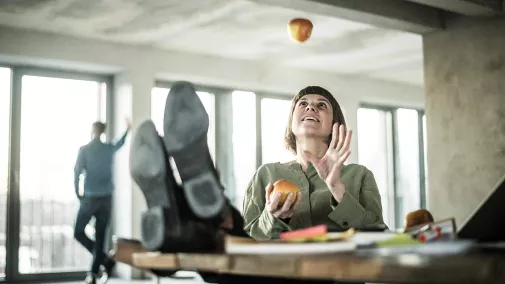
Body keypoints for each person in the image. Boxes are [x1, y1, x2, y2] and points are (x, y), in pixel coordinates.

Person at [242, 86, 386, 240]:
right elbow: (246, 240)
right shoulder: (265, 174)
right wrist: (272, 217)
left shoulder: (360, 175)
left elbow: (378, 236)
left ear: (334, 124)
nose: (311, 107)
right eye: (303, 104)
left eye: (322, 105)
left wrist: (337, 190)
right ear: (291, 122)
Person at [73, 119, 131, 284]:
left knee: (78, 232)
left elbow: (77, 172)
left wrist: (78, 193)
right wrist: (127, 129)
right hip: (106, 199)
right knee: (100, 238)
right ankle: (99, 266)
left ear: (92, 130)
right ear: (103, 131)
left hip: (90, 198)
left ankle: (98, 268)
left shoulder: (84, 150)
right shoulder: (108, 149)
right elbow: (120, 142)